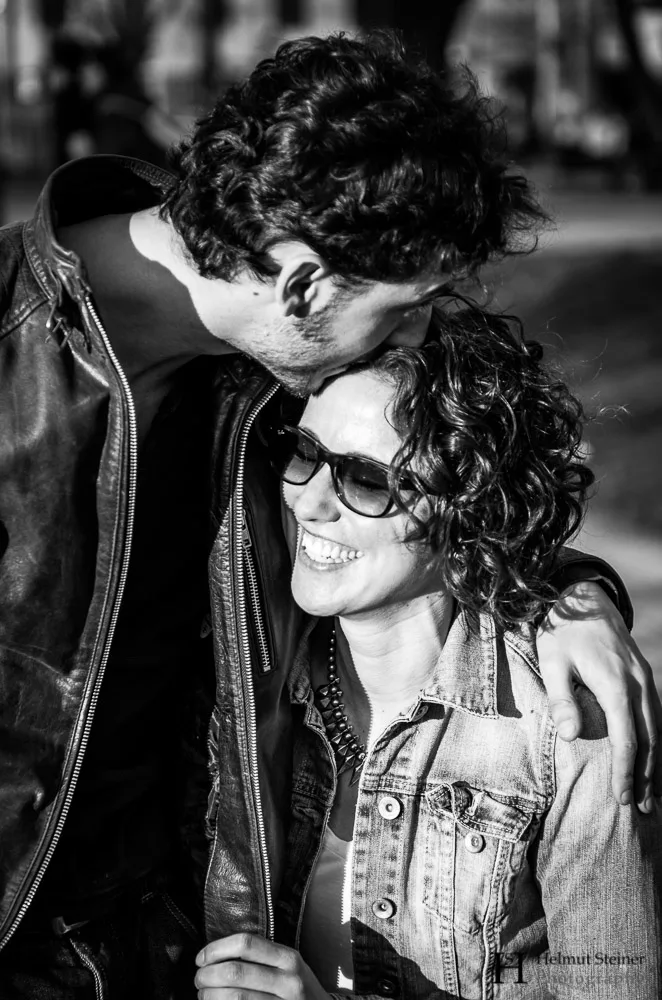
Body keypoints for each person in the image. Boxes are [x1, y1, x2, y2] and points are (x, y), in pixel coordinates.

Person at [0, 30, 657, 999]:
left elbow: (451, 464)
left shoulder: (285, 365)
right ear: (303, 281)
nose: (417, 332)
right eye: (407, 306)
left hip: (183, 950)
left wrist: (563, 593)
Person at [194, 306, 662, 1000]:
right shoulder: (240, 663)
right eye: (302, 451)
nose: (311, 499)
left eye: (368, 480)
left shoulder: (569, 723)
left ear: (470, 508)